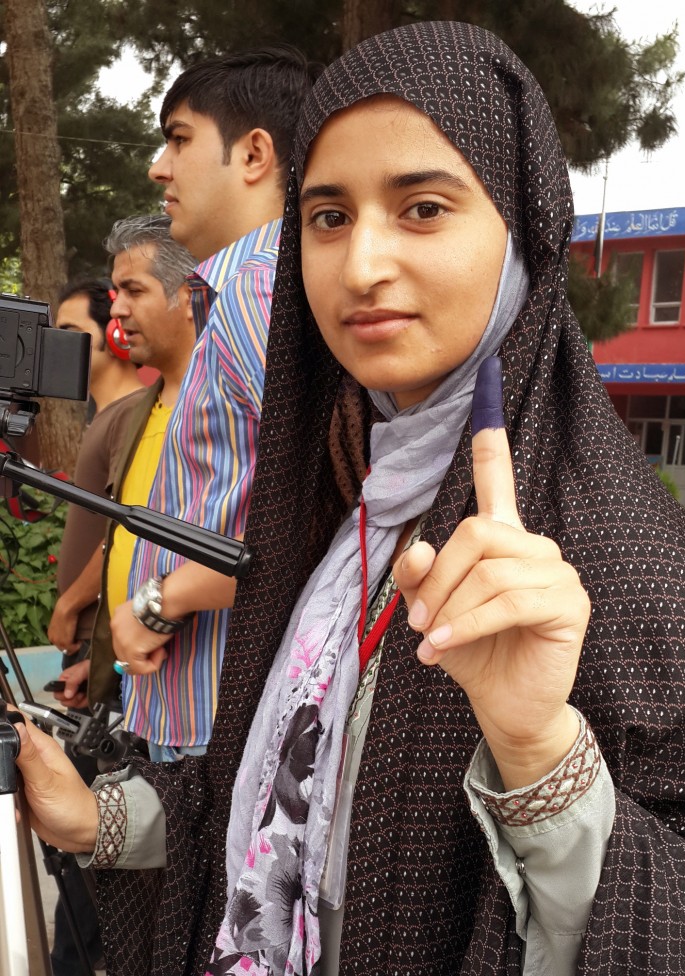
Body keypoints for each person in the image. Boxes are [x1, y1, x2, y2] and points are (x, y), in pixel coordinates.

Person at [16, 22, 685, 976]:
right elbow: (270, 801)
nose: (360, 267)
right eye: (327, 217)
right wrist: (97, 817)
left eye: (425, 207)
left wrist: (543, 759)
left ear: (524, 229)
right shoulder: (339, 513)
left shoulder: (621, 559)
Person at [107, 49, 317, 761]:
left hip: (222, 728)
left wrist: (157, 603)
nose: (158, 167)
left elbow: (311, 518)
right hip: (215, 714)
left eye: (178, 138)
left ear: (254, 152)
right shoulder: (244, 290)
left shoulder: (257, 292)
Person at [59, 215, 197, 712]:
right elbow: (128, 542)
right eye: (115, 292)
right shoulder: (142, 409)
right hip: (139, 688)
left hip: (194, 705)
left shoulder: (219, 413)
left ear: (189, 294)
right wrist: (102, 665)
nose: (116, 308)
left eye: (132, 290)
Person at [47, 276, 145, 976]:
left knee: (84, 869)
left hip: (117, 669)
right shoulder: (107, 416)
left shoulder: (133, 415)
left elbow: (124, 537)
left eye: (71, 334)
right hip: (97, 662)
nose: (57, 351)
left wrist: (70, 604)